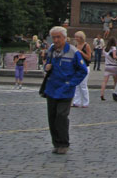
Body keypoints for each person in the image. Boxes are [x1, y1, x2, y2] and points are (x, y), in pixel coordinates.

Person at [44, 26, 88, 154]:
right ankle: (56, 143)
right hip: (52, 88)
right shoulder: (51, 50)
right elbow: (46, 65)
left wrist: (71, 83)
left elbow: (82, 70)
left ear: (64, 38)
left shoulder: (73, 52)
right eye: (54, 37)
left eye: (58, 37)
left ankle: (64, 143)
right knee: (52, 118)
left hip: (65, 90)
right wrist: (46, 67)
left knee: (61, 116)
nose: (56, 40)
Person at [72, 31, 91, 107]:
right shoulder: (76, 45)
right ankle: (77, 102)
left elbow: (89, 57)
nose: (76, 38)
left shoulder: (86, 45)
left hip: (85, 66)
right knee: (77, 85)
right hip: (77, 67)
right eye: (75, 37)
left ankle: (86, 102)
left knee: (83, 85)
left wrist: (81, 52)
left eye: (77, 37)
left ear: (81, 38)